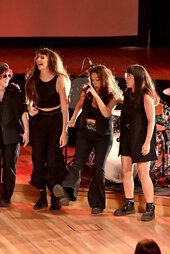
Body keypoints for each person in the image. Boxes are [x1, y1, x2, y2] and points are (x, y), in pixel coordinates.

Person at [52, 65, 123, 214]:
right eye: (92, 79)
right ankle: (66, 192)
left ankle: (97, 204)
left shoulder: (113, 95)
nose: (94, 83)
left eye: (97, 80)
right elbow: (79, 106)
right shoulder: (86, 91)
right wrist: (72, 119)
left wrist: (96, 95)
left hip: (102, 136)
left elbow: (106, 113)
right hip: (85, 132)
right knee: (77, 164)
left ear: (105, 79)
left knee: (99, 169)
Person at [25, 48, 70, 211]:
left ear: (50, 60)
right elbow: (29, 100)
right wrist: (30, 108)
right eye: (37, 57)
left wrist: (64, 131)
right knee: (38, 159)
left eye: (42, 57)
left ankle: (55, 198)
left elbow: (65, 108)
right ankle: (42, 196)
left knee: (52, 159)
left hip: (55, 121)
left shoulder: (59, 80)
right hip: (39, 121)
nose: (38, 60)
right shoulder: (33, 79)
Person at [113, 65, 158, 221]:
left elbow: (152, 121)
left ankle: (150, 207)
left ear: (137, 78)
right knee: (126, 170)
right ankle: (129, 203)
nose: (126, 78)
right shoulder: (128, 94)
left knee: (143, 173)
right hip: (128, 137)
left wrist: (146, 143)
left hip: (141, 138)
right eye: (126, 75)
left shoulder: (145, 96)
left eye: (129, 76)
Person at [0, 63, 29, 212]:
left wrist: (26, 131)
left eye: (9, 75)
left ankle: (6, 197)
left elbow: (22, 112)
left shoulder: (14, 91)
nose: (7, 78)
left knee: (10, 168)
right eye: (4, 76)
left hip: (12, 134)